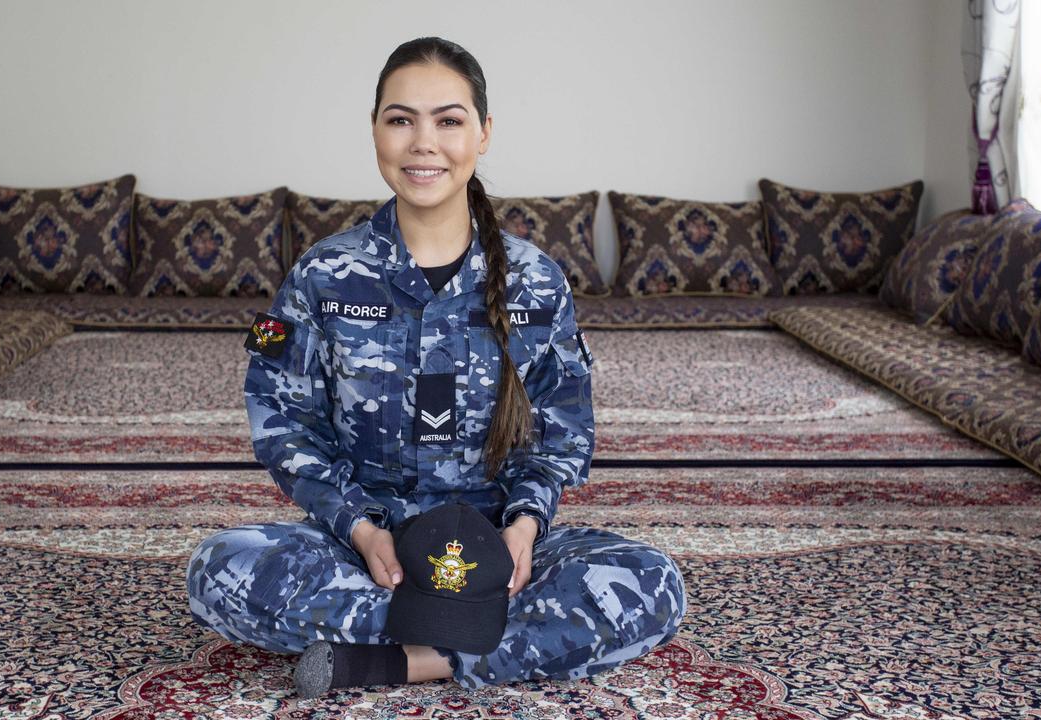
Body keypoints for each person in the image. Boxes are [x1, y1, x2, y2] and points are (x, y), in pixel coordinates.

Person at [187, 36, 686, 697]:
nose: (424, 143)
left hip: (498, 548)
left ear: (483, 133)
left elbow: (562, 432)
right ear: (375, 132)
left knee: (651, 583)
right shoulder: (323, 274)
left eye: (448, 121)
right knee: (218, 570)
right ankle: (488, 641)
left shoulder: (536, 281)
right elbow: (283, 421)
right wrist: (360, 530)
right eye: (401, 120)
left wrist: (525, 527)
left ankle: (401, 660)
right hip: (366, 548)